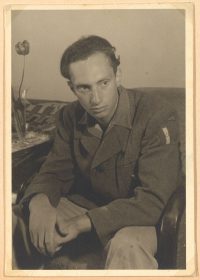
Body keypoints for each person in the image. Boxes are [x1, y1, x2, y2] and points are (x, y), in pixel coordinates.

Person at [13, 35, 182, 269]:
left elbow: (153, 201)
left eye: (104, 83)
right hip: (84, 204)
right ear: (71, 87)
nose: (96, 99)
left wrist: (80, 223)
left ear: (118, 76)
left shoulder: (156, 114)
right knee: (12, 220)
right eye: (84, 88)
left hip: (137, 216)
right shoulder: (68, 116)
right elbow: (54, 171)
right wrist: (38, 202)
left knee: (126, 247)